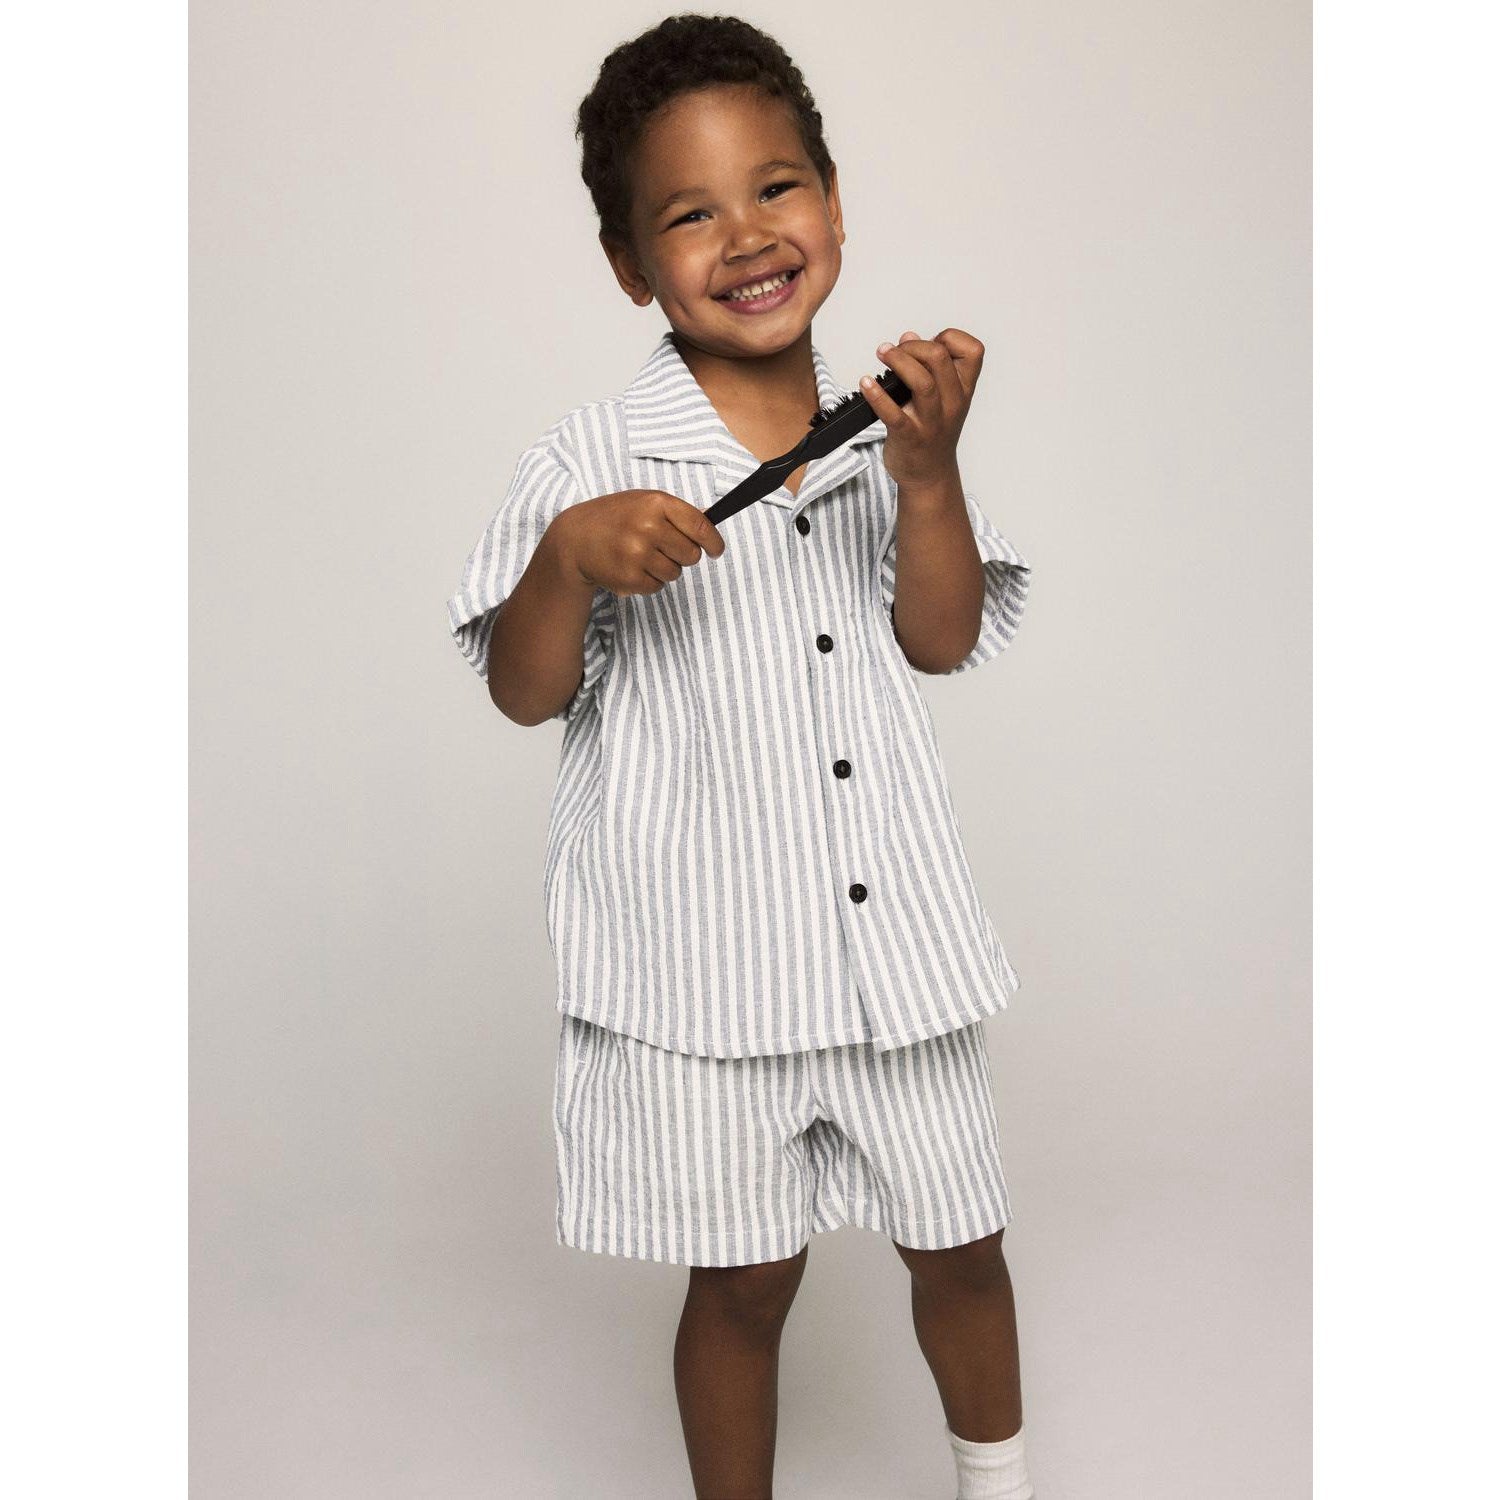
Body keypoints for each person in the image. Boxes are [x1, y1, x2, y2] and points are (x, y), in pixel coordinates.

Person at [446, 15, 1037, 1498]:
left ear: (833, 203)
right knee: (743, 1283)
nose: (749, 235)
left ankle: (1000, 1483)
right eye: (690, 213)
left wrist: (930, 474)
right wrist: (565, 562)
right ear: (629, 264)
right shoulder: (586, 462)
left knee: (964, 1247)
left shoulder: (891, 435)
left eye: (776, 188)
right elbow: (523, 692)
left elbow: (941, 640)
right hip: (704, 973)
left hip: (893, 955)